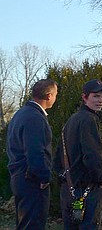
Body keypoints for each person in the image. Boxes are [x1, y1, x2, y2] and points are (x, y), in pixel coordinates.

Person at [54, 79, 102, 230]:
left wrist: (62, 177)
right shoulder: (89, 120)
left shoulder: (71, 120)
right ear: (84, 97)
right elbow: (92, 155)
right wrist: (101, 181)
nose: (100, 100)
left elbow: (58, 156)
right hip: (87, 188)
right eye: (96, 96)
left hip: (68, 187)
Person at [6, 78, 59, 230]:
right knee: (33, 224)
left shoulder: (20, 114)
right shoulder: (35, 117)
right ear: (49, 96)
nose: (55, 98)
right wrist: (43, 177)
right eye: (55, 94)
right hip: (31, 180)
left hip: (20, 177)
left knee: (24, 223)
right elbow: (35, 150)